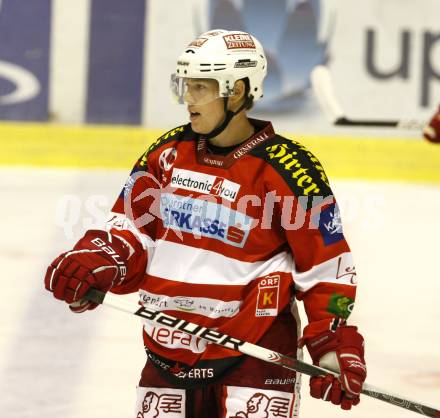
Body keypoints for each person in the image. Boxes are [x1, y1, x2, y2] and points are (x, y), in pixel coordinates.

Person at [44, 29, 367, 417]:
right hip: (166, 355)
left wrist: (332, 338)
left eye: (201, 87)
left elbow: (328, 267)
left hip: (256, 358)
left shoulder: (291, 170)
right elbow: (130, 228)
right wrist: (98, 259)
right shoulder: (167, 153)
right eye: (186, 85)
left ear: (236, 91)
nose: (188, 99)